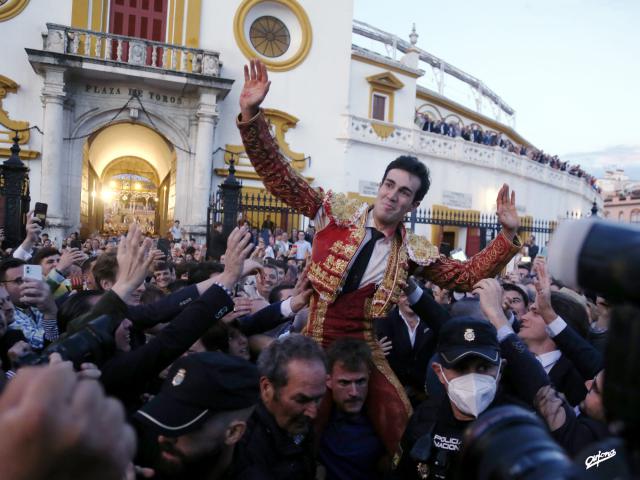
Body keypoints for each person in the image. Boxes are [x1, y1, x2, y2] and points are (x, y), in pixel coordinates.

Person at [236, 58, 521, 454]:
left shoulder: (413, 250)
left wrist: (507, 234)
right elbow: (281, 178)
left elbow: (465, 275)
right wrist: (251, 115)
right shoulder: (335, 209)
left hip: (365, 344)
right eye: (389, 184)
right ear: (381, 185)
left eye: (404, 192)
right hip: (314, 335)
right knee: (293, 421)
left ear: (413, 204)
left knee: (397, 419)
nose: (392, 194)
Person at [396, 317, 505, 479]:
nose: (473, 379)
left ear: (500, 370)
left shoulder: (518, 427)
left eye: (483, 367)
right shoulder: (425, 417)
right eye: (460, 368)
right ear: (439, 372)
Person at [133, 352, 259, 479]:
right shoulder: (136, 453)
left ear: (233, 432)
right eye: (165, 416)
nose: (163, 438)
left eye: (185, 425)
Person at [232, 334, 327, 479]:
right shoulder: (244, 450)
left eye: (318, 398)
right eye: (302, 400)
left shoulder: (295, 420)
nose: (313, 412)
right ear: (266, 388)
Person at [318, 338, 386, 480]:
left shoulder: (384, 424)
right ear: (328, 380)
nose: (354, 392)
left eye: (360, 381)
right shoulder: (317, 421)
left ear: (369, 376)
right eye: (344, 383)